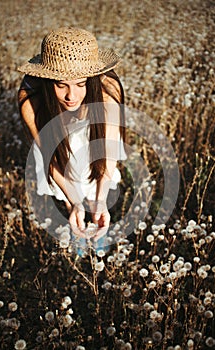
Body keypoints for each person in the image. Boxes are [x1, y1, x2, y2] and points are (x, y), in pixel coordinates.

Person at [17, 26, 126, 247]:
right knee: (69, 174)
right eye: (61, 84)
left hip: (95, 143)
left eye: (81, 84)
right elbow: (50, 156)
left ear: (92, 79)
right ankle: (76, 223)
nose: (71, 96)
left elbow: (109, 150)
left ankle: (96, 221)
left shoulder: (108, 91)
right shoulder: (31, 99)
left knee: (92, 171)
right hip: (57, 147)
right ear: (48, 81)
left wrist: (100, 200)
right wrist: (75, 202)